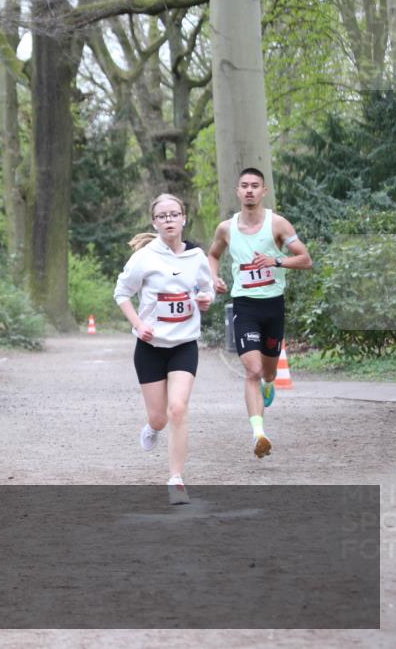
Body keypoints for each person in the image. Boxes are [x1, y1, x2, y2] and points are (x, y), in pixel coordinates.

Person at [114, 194, 214, 504]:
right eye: (162, 216)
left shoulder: (196, 257)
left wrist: (206, 300)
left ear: (184, 218)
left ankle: (176, 479)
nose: (169, 220)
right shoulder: (144, 257)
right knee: (160, 418)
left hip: (184, 344)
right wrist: (138, 324)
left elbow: (207, 289)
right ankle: (152, 427)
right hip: (150, 347)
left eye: (174, 214)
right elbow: (121, 293)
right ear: (154, 222)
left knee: (178, 408)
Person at [207, 167, 312, 459]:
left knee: (268, 371)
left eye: (255, 185)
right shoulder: (226, 228)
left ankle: (269, 382)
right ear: (238, 191)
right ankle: (259, 434)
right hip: (245, 305)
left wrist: (275, 261)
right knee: (252, 370)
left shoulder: (278, 224)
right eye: (244, 185)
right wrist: (214, 278)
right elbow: (213, 254)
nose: (250, 190)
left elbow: (305, 259)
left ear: (264, 191)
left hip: (273, 305)